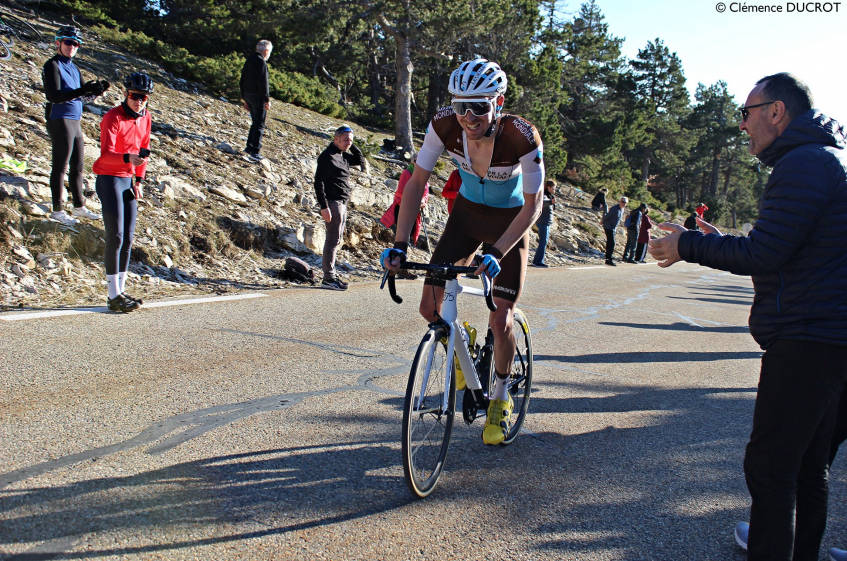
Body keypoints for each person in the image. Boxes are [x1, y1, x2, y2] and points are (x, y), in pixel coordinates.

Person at [648, 73, 847, 561]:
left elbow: (766, 253)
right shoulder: (823, 158)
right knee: (807, 466)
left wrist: (688, 244)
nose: (741, 125)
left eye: (746, 112)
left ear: (776, 112)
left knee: (772, 468)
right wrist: (715, 239)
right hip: (831, 336)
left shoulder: (802, 164)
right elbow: (794, 251)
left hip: (810, 338)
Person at [381, 58, 545, 445]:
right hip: (467, 217)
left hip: (510, 222)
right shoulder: (442, 124)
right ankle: (461, 341)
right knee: (429, 309)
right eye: (460, 106)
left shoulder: (522, 136)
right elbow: (416, 182)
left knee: (501, 318)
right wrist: (400, 244)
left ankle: (501, 398)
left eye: (479, 106)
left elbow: (534, 204)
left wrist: (499, 252)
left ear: (498, 101)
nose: (468, 116)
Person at [92, 73, 153, 313]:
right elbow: (105, 153)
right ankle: (111, 295)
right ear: (126, 94)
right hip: (109, 178)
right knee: (115, 236)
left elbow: (144, 148)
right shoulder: (112, 117)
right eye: (134, 96)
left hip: (128, 180)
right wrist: (127, 158)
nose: (138, 101)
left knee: (128, 238)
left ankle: (121, 289)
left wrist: (139, 179)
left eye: (143, 97)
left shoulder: (145, 117)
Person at [42, 25, 109, 226]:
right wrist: (81, 90)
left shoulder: (73, 67)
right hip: (60, 118)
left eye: (76, 44)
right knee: (60, 166)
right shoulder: (52, 65)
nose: (72, 47)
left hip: (75, 119)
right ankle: (57, 210)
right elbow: (53, 96)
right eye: (68, 42)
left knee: (78, 166)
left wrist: (96, 92)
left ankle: (79, 207)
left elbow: (84, 96)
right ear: (58, 43)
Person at [314, 124, 367, 291]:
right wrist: (324, 207)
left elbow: (359, 160)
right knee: (331, 240)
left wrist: (352, 141)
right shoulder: (327, 156)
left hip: (342, 203)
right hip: (332, 203)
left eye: (350, 141)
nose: (348, 144)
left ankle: (332, 276)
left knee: (336, 241)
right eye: (345, 140)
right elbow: (318, 183)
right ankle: (328, 278)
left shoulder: (343, 156)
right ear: (335, 139)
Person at [380, 160, 430, 279]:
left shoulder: (423, 174)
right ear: (413, 161)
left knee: (408, 237)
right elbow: (401, 192)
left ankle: (400, 265)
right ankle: (399, 267)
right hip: (403, 207)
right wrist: (415, 199)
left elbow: (426, 192)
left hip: (414, 208)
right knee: (403, 237)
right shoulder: (407, 173)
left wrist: (423, 200)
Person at [240, 39, 272, 162]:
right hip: (258, 97)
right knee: (259, 124)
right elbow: (263, 83)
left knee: (255, 122)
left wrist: (244, 97)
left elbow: (242, 80)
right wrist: (266, 99)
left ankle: (249, 147)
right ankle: (255, 152)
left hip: (248, 95)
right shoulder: (261, 62)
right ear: (266, 51)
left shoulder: (249, 60)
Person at [532, 180, 556, 267]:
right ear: (549, 187)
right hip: (543, 221)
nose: (554, 190)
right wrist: (551, 202)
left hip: (545, 221)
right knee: (543, 242)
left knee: (543, 242)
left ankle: (536, 261)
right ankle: (538, 262)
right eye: (553, 188)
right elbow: (542, 203)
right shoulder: (544, 195)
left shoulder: (548, 195)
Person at [601, 196, 627, 266]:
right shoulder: (615, 208)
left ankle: (608, 259)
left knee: (610, 243)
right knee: (612, 243)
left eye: (625, 202)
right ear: (619, 202)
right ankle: (609, 259)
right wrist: (603, 221)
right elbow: (608, 215)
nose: (623, 203)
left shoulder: (622, 210)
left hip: (613, 228)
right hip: (608, 226)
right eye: (622, 201)